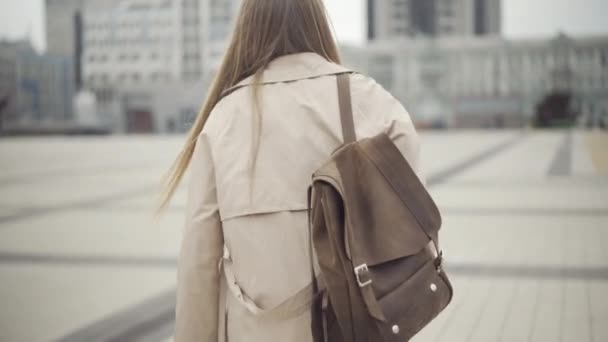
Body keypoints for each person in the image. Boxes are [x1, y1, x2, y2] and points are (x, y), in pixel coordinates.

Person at [155, 0, 425, 341]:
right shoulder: (372, 103)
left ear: (247, 30)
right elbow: (415, 234)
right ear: (317, 22)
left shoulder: (223, 120)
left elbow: (199, 266)